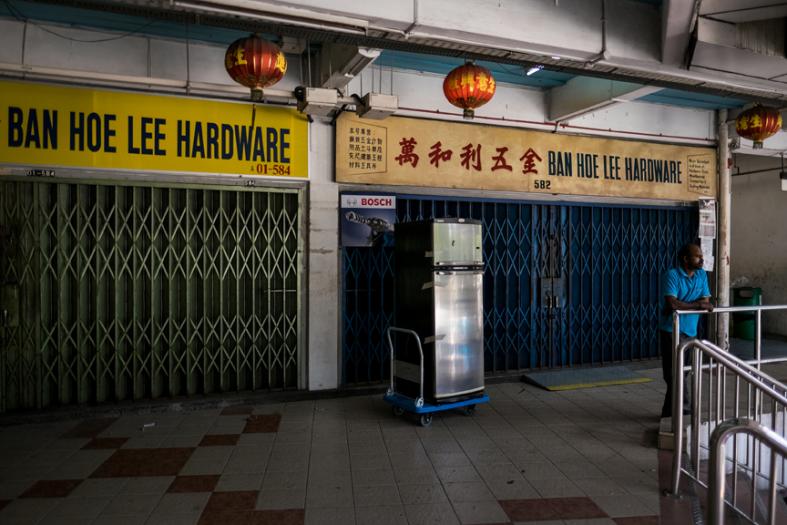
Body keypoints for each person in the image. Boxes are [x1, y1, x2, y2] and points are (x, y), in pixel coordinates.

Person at [659, 243, 713, 418]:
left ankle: (668, 413)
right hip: (671, 330)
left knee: (683, 372)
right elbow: (672, 303)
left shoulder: (701, 275)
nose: (701, 259)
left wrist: (684, 305)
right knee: (674, 374)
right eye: (697, 256)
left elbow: (706, 301)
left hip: (691, 331)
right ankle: (685, 410)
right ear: (685, 259)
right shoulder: (672, 275)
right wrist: (696, 304)